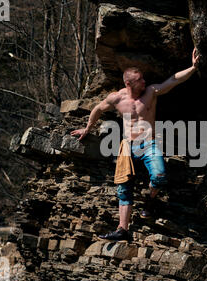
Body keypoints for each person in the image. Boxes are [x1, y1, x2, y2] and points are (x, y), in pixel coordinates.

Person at [70, 48, 200, 241]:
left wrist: (193, 67)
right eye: (140, 80)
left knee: (159, 175)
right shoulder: (117, 98)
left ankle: (149, 200)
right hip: (128, 146)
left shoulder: (151, 92)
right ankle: (122, 229)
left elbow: (173, 80)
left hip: (149, 144)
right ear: (129, 83)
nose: (144, 82)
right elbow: (97, 108)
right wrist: (87, 128)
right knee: (123, 188)